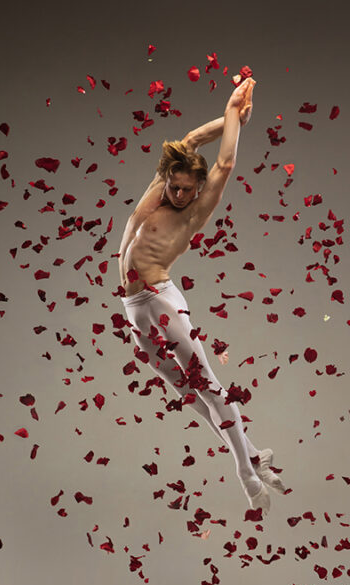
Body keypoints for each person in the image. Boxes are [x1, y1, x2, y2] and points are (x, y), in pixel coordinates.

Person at [114, 76, 289, 514]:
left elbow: (224, 165)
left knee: (209, 388)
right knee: (186, 393)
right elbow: (191, 139)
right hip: (133, 307)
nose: (177, 195)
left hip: (159, 299)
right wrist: (231, 115)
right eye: (174, 186)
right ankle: (253, 454)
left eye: (186, 190)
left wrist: (234, 115)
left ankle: (247, 474)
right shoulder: (161, 188)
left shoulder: (195, 209)